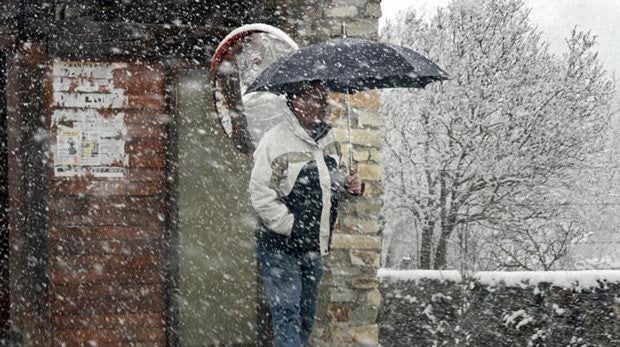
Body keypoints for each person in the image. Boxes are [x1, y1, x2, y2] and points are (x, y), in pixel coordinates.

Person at [249, 81, 363, 347]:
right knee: (287, 316)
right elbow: (260, 194)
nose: (319, 106)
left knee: (305, 318)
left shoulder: (330, 139)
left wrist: (350, 184)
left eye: (323, 99)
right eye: (311, 99)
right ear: (294, 102)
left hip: (314, 247)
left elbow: (332, 180)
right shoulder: (274, 140)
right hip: (280, 248)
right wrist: (292, 226)